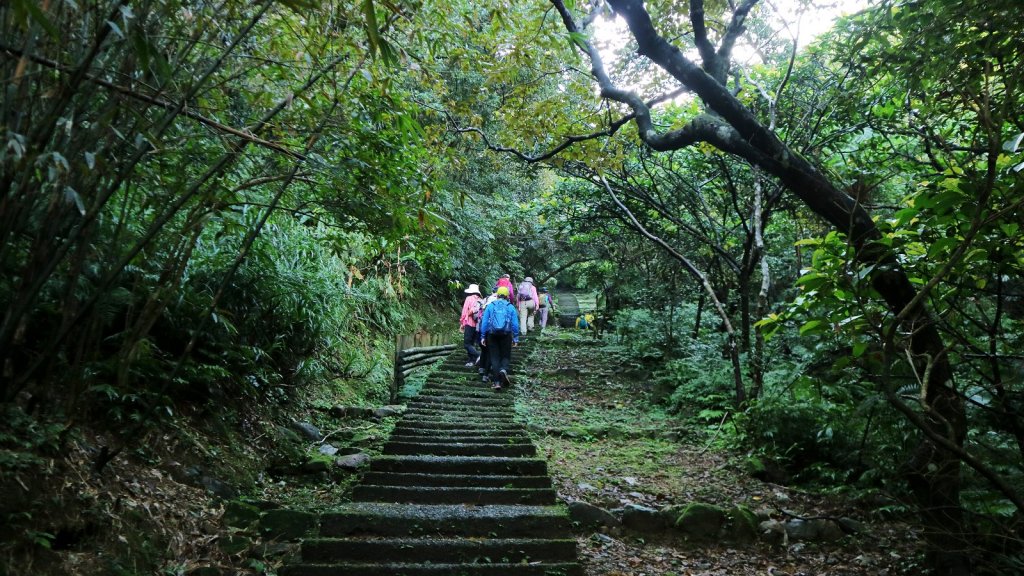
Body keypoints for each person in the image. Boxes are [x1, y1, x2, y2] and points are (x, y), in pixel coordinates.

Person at [479, 286, 520, 390]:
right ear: (507, 296)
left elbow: (484, 322)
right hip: (506, 335)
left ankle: (496, 382)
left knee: (494, 357)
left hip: (492, 335)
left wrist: (483, 336)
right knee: (505, 355)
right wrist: (515, 338)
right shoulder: (510, 307)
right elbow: (515, 324)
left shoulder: (490, 306)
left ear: (497, 295)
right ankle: (504, 369)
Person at [476, 286, 501, 381]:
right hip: (495, 331)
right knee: (492, 352)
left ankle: (482, 369)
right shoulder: (501, 303)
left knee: (484, 350)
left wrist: (481, 334)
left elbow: (482, 317)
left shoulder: (486, 300)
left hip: (483, 328)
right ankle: (487, 373)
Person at [459, 283, 483, 366]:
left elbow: (464, 311)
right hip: (477, 325)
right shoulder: (480, 299)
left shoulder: (469, 298)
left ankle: (478, 355)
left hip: (469, 323)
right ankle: (471, 361)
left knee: (466, 344)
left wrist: (462, 322)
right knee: (472, 343)